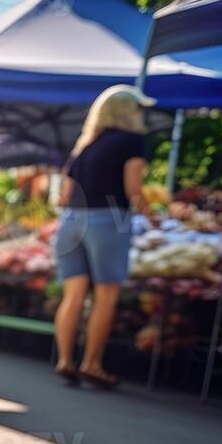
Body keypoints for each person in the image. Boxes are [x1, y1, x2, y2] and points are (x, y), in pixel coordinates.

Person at [52, 85, 152, 389]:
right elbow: (133, 190)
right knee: (105, 296)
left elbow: (62, 197)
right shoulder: (132, 142)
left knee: (73, 295)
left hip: (70, 221)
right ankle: (92, 365)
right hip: (107, 219)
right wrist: (157, 216)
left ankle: (65, 360)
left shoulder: (84, 147)